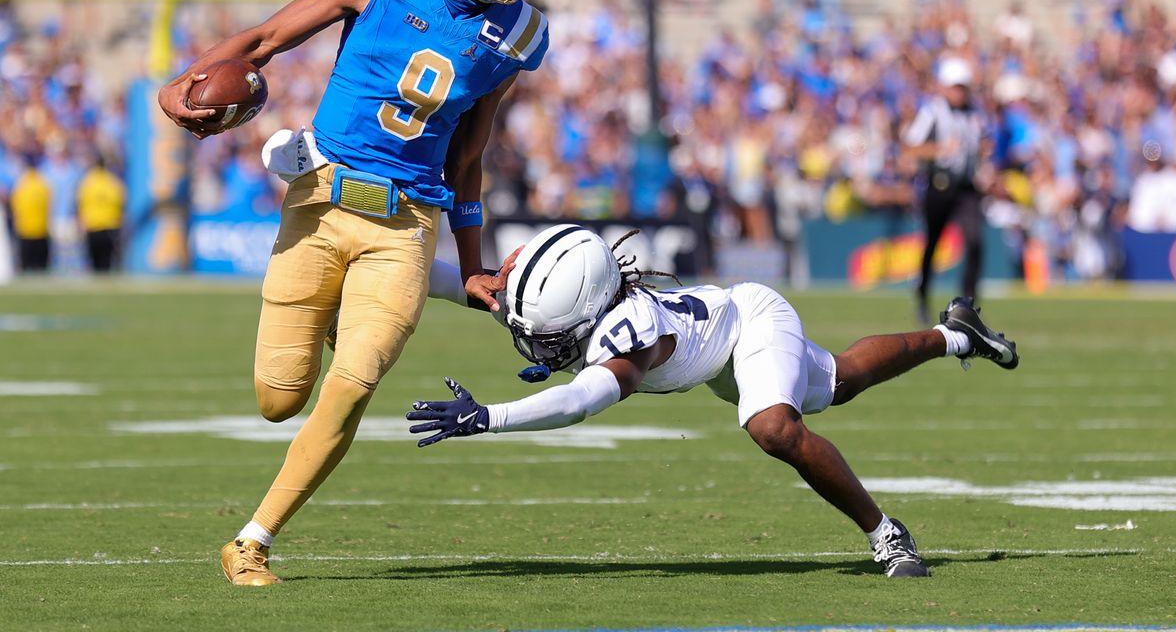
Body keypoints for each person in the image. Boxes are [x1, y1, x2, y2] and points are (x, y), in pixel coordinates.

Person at [157, 0, 553, 586]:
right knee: (279, 399)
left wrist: (472, 261)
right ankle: (346, 312)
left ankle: (253, 541)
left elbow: (470, 157)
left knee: (355, 382)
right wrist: (182, 81)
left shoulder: (516, 34)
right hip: (320, 202)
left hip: (406, 226)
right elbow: (271, 35)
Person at [406, 224, 1020, 579]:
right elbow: (441, 279)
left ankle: (887, 534)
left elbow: (579, 401)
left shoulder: (630, 335)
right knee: (840, 381)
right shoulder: (560, 301)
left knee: (773, 427)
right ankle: (957, 333)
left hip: (749, 318)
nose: (530, 336)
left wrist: (490, 417)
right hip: (718, 351)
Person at [903, 57, 991, 325]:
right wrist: (940, 150)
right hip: (940, 185)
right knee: (932, 245)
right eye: (955, 87)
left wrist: (984, 163)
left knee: (975, 243)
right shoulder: (932, 111)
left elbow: (983, 144)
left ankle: (968, 306)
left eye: (963, 87)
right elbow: (911, 147)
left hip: (966, 187)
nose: (959, 93)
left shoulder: (975, 113)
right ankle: (922, 295)